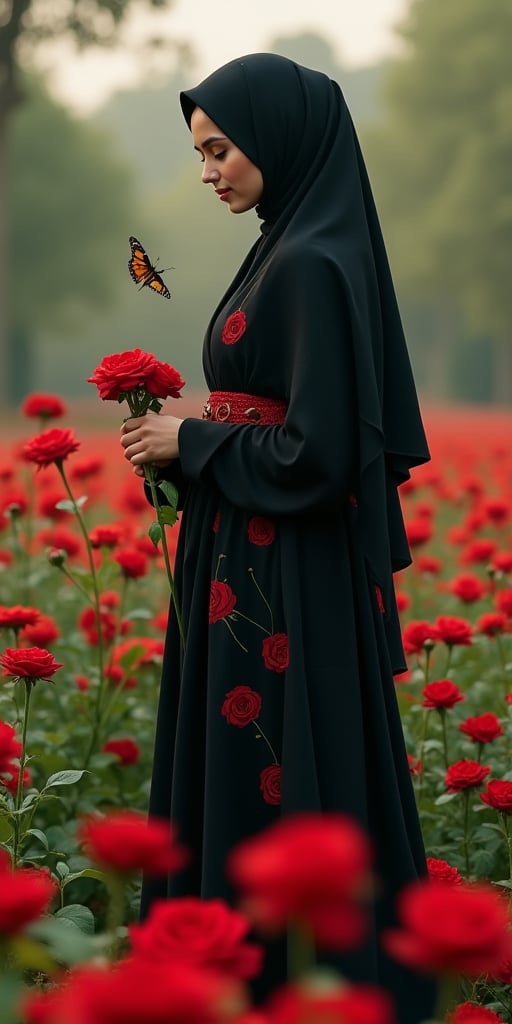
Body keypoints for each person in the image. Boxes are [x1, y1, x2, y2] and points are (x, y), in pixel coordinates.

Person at [120, 53, 435, 1022]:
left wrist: (193, 439)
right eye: (198, 152)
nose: (208, 169)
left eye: (221, 148)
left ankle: (269, 976)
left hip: (276, 572)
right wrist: (187, 448)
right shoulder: (291, 239)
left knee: (269, 761)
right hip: (254, 558)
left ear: (281, 139)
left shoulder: (308, 261)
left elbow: (320, 453)